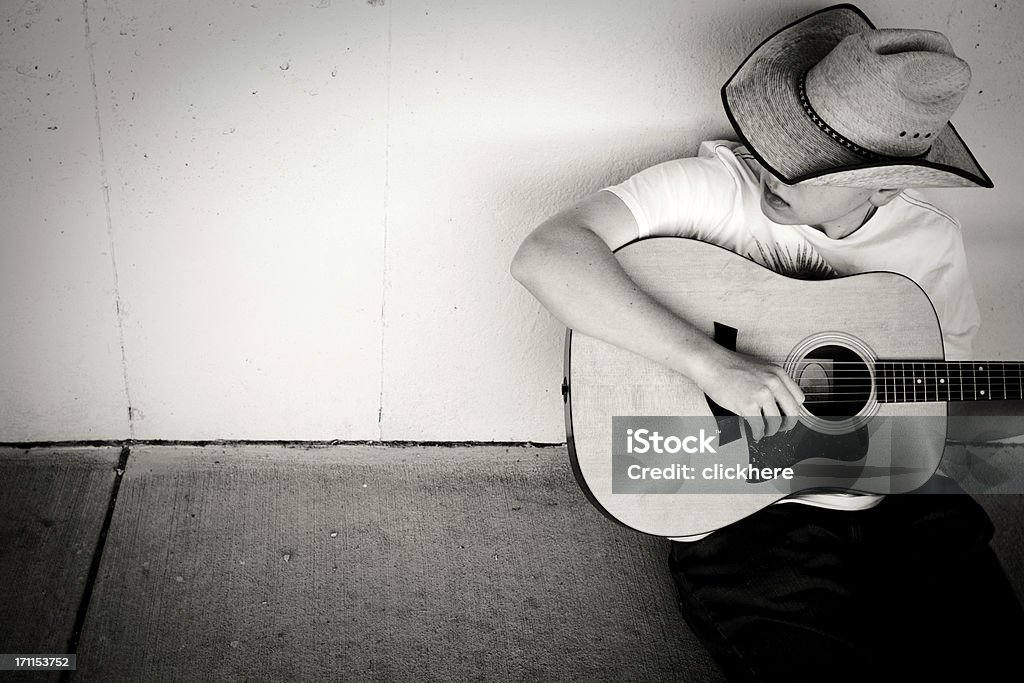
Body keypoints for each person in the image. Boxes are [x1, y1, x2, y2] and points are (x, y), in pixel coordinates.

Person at [511, 5, 1024, 680]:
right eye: (781, 139)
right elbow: (545, 255)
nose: (776, 168)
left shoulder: (928, 242)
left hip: (895, 491)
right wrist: (714, 365)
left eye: (814, 166)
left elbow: (939, 394)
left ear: (887, 181)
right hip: (739, 507)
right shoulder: (715, 187)